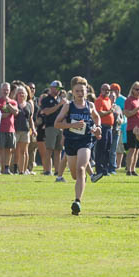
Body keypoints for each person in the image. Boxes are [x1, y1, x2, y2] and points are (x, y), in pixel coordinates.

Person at [54, 76, 102, 215]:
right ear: (73, 92)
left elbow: (97, 117)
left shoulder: (90, 105)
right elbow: (57, 124)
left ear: (86, 91)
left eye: (83, 90)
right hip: (71, 142)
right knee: (75, 175)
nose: (80, 93)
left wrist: (97, 128)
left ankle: (77, 201)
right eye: (77, 91)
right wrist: (71, 125)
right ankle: (82, 182)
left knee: (81, 168)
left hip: (85, 141)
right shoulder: (68, 106)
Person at [39, 81, 66, 178]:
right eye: (57, 88)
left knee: (58, 150)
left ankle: (57, 171)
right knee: (49, 149)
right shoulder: (46, 99)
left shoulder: (60, 99)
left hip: (60, 126)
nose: (58, 90)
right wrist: (59, 105)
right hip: (51, 126)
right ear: (52, 88)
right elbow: (46, 112)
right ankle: (47, 170)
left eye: (60, 89)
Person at [13, 85, 36, 175]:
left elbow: (30, 119)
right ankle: (14, 168)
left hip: (25, 130)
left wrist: (33, 129)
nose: (21, 95)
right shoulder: (14, 103)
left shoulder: (29, 105)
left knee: (23, 151)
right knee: (15, 150)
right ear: (16, 94)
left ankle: (22, 170)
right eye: (19, 93)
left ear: (26, 94)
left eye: (23, 93)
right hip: (15, 129)